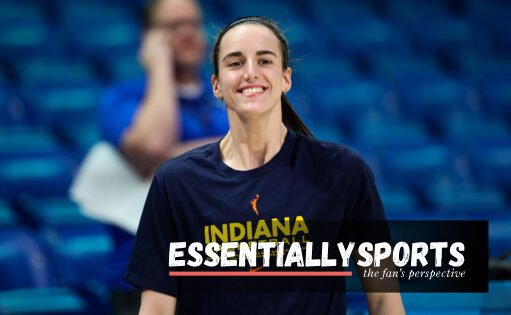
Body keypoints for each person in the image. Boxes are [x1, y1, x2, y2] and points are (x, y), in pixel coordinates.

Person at [125, 16, 405, 314]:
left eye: (264, 61)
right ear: (216, 85)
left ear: (286, 78)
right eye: (235, 63)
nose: (250, 73)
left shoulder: (343, 171)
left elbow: (384, 299)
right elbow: (156, 309)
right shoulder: (175, 183)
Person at [100, 0, 229, 179]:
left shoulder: (227, 92)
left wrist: (174, 156)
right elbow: (154, 149)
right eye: (173, 26)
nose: (186, 33)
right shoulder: (122, 97)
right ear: (148, 37)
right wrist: (160, 66)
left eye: (193, 23)